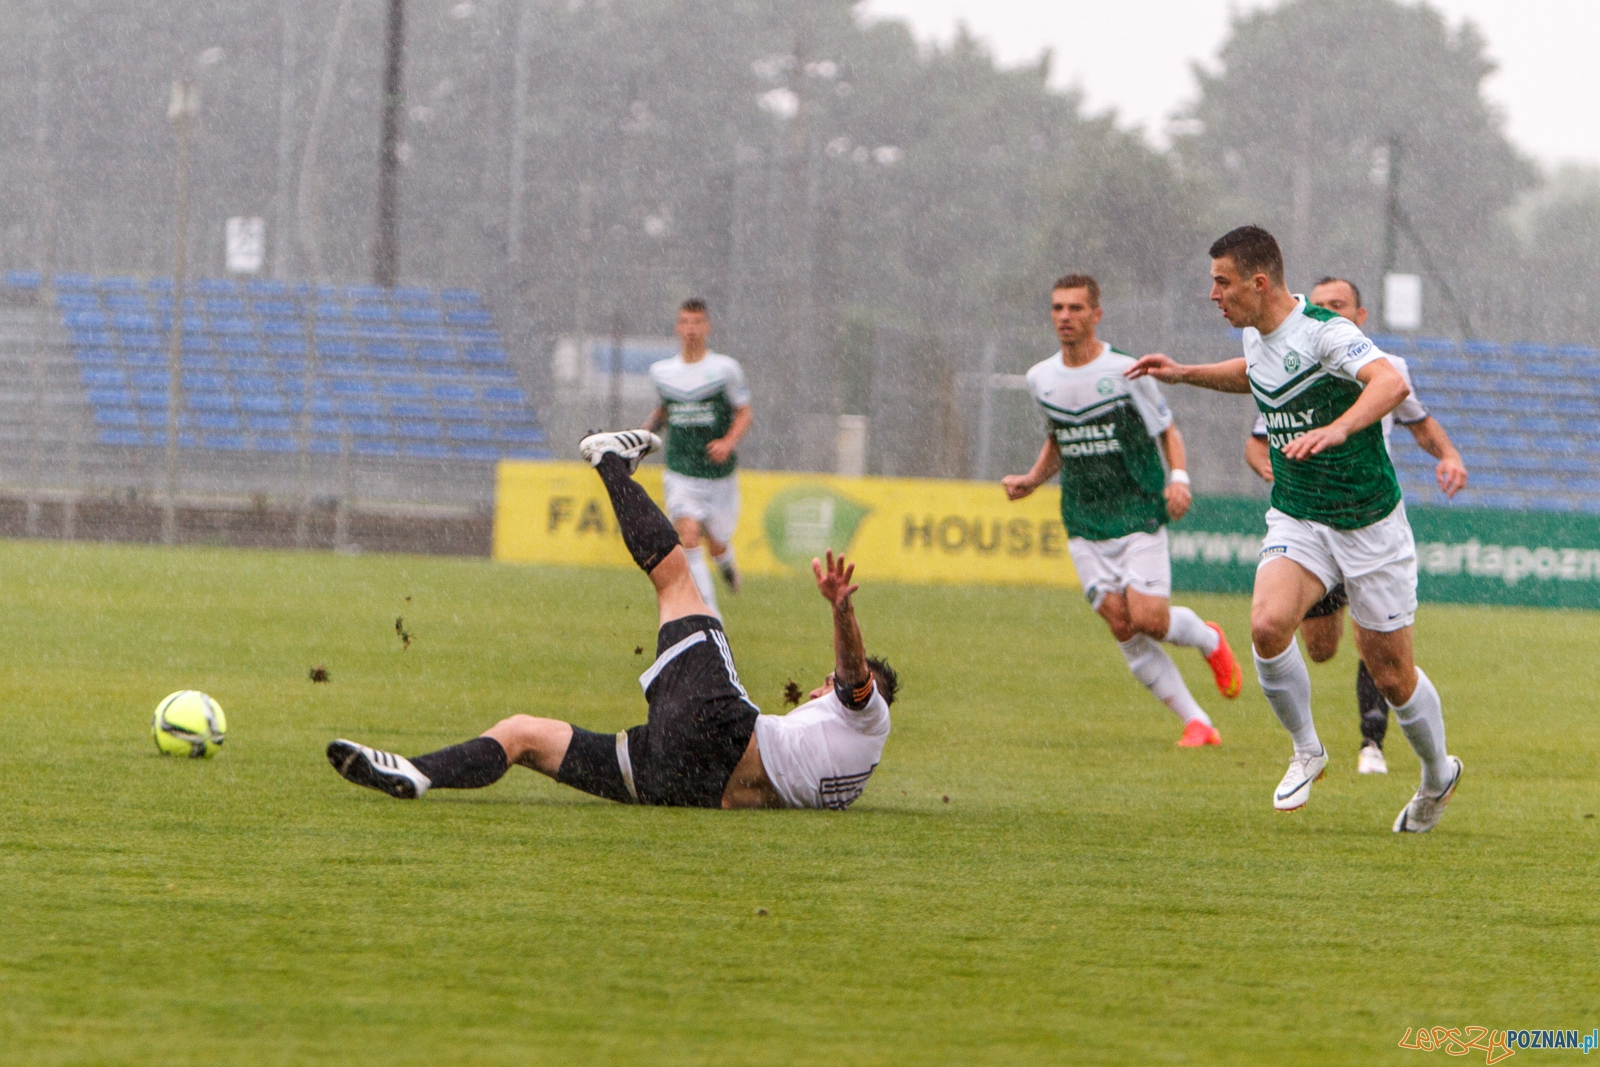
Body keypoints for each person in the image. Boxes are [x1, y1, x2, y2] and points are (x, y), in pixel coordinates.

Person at [327, 430, 897, 812]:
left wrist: (842, 608)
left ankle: (609, 462)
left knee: (677, 580)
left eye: (831, 686)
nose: (823, 688)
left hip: (716, 729)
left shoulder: (869, 719)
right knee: (527, 734)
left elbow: (852, 673)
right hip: (680, 785)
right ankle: (415, 772)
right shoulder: (846, 782)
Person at [1128, 227, 1462, 832]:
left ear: (1258, 283)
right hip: (1300, 514)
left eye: (1221, 282)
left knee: (1391, 674)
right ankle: (1307, 749)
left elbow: (1391, 383)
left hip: (1368, 521)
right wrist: (1183, 373)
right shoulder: (1260, 336)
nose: (1213, 294)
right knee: (1265, 624)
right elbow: (1252, 374)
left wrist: (1339, 428)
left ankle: (1438, 773)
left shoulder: (1326, 333)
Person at [1003, 274, 1243, 748]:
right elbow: (1060, 439)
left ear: (1097, 314)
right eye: (1057, 308)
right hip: (1083, 517)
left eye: (1075, 308)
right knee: (1119, 620)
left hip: (1136, 509)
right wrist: (1033, 479)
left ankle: (1209, 639)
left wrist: (1179, 478)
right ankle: (1198, 722)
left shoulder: (1126, 370)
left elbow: (1166, 430)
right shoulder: (1040, 379)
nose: (1065, 317)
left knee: (1150, 619)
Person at [1244, 276, 1468, 776]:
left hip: (1369, 522)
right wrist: (1268, 464)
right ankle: (1312, 747)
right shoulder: (1290, 362)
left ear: (1360, 317)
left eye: (1337, 305)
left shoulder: (1387, 368)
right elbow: (1258, 438)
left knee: (1383, 659)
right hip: (1310, 520)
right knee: (1321, 650)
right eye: (1318, 304)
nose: (1324, 312)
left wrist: (1449, 454)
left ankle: (1382, 745)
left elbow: (1419, 421)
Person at [642, 298, 753, 616]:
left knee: (716, 542)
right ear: (678, 327)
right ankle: (710, 617)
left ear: (707, 327)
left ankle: (727, 563)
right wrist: (643, 435)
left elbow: (745, 412)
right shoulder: (662, 373)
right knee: (688, 536)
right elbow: (665, 410)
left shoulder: (724, 369)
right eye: (685, 322)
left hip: (719, 475)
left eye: (697, 322)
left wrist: (728, 442)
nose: (691, 329)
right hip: (681, 471)